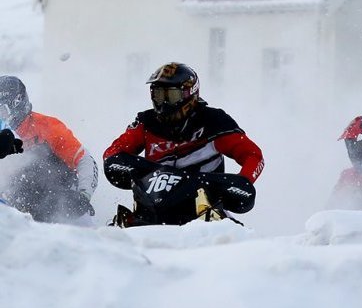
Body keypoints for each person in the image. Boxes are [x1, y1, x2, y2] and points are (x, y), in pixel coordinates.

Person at [103, 62, 264, 227]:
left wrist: (243, 180)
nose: (163, 103)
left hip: (204, 202)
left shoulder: (214, 120)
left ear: (190, 94)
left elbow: (253, 155)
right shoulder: (146, 122)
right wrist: (141, 171)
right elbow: (112, 153)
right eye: (159, 95)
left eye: (171, 96)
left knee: (238, 212)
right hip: (153, 203)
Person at [0, 75, 98, 222]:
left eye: (2, 110)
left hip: (56, 199)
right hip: (13, 203)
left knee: (35, 163)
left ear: (17, 104)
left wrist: (83, 196)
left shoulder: (48, 127)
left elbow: (85, 160)